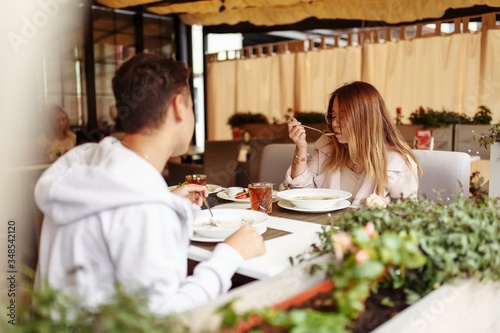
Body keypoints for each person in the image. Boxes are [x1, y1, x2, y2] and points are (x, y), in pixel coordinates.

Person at [34, 54, 266, 314]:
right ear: (179, 106)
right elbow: (165, 320)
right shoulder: (145, 206)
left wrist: (167, 200)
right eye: (191, 105)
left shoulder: (85, 162)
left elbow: (116, 216)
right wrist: (229, 256)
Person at [281, 81, 421, 207]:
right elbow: (300, 193)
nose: (335, 123)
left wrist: (385, 208)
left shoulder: (397, 162)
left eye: (342, 117)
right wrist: (301, 147)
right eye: (333, 116)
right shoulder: (327, 146)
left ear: (365, 119)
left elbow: (410, 216)